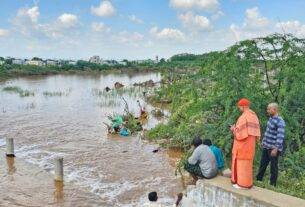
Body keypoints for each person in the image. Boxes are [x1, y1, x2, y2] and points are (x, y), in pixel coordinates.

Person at [230, 98, 261, 189]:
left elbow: (240, 134)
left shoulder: (244, 117)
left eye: (239, 107)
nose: (239, 109)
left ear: (243, 106)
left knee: (242, 164)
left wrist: (233, 129)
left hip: (243, 145)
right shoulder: (254, 115)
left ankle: (243, 185)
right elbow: (256, 132)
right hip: (251, 145)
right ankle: (248, 184)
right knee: (248, 164)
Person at [256, 103, 285, 186]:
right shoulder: (271, 119)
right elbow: (268, 132)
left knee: (273, 167)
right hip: (266, 146)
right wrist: (263, 141)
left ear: (275, 110)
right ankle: (259, 180)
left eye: (269, 109)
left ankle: (272, 184)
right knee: (262, 164)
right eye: (267, 109)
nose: (267, 110)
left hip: (273, 148)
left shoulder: (280, 121)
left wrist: (276, 149)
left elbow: (280, 136)